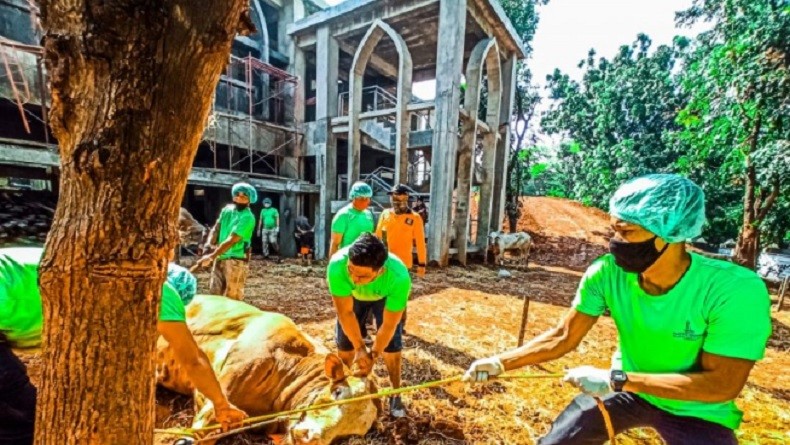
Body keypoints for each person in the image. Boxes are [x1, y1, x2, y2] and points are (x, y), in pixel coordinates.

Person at [463, 174, 772, 445]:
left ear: (669, 233)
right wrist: (500, 363)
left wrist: (618, 379)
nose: (615, 242)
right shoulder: (608, 273)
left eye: (627, 232)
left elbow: (720, 385)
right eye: (614, 230)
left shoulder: (733, 290)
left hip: (694, 407)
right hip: (629, 391)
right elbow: (564, 336)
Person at [0, 248, 247, 444]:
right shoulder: (158, 288)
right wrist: (222, 405)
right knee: (27, 420)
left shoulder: (115, 269)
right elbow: (193, 359)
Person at [327, 233, 411, 418]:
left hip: (384, 296)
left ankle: (395, 393)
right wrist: (359, 348)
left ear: (379, 271)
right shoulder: (337, 266)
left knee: (392, 347)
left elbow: (389, 324)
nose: (354, 279)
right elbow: (345, 313)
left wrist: (373, 354)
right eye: (351, 270)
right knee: (345, 345)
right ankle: (343, 389)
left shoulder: (398, 276)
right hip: (353, 299)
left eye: (362, 276)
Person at [375, 184, 427, 333]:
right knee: (382, 294)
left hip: (404, 264)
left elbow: (420, 242)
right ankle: (382, 324)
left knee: (400, 296)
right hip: (385, 263)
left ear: (406, 197)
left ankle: (399, 325)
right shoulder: (385, 214)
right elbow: (377, 237)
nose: (396, 200)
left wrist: (422, 264)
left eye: (399, 197)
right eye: (393, 197)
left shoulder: (414, 218)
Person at [198, 182, 257, 300]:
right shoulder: (227, 210)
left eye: (244, 196)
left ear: (250, 199)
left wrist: (211, 256)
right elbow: (216, 228)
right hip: (220, 257)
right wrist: (208, 246)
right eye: (237, 195)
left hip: (236, 259)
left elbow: (232, 239)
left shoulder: (248, 218)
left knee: (232, 297)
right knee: (214, 295)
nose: (239, 198)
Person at [329, 181, 375, 258]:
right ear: (353, 197)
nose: (365, 201)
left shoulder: (368, 214)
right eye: (361, 198)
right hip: (347, 260)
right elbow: (334, 244)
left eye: (367, 198)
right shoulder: (343, 215)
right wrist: (332, 267)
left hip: (366, 260)